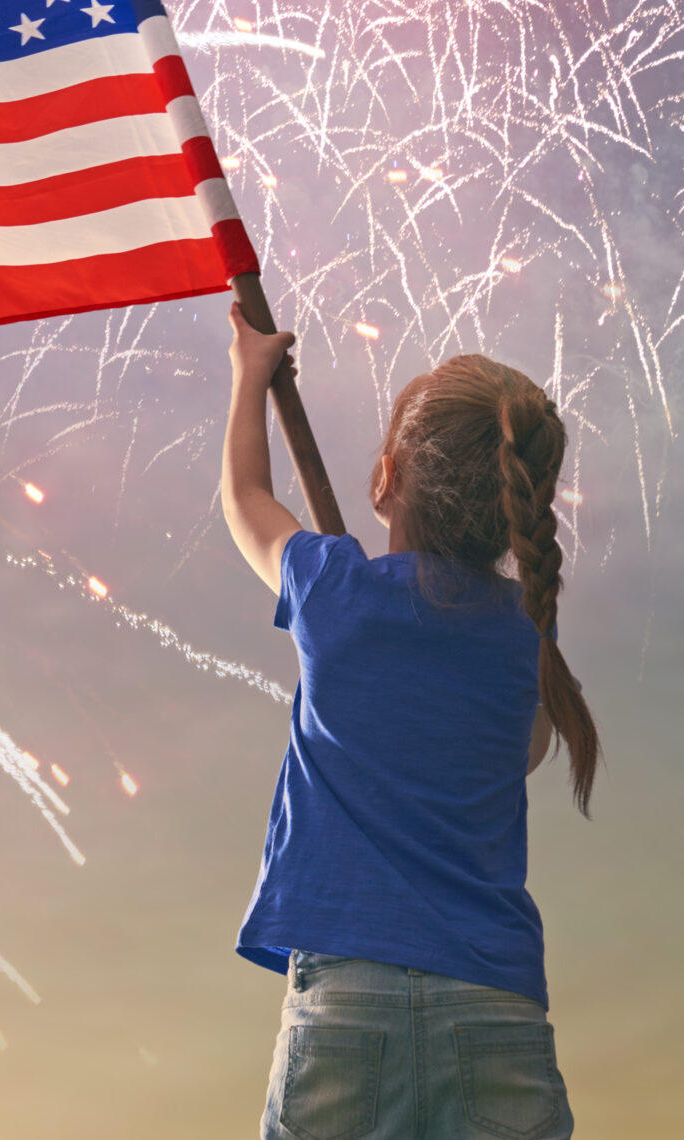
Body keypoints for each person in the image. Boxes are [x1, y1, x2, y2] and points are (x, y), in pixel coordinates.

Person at [221, 303, 599, 1140]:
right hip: (495, 1001)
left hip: (348, 1004)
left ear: (386, 478)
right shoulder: (526, 627)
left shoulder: (334, 591)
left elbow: (246, 496)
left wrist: (252, 377)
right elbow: (524, 752)